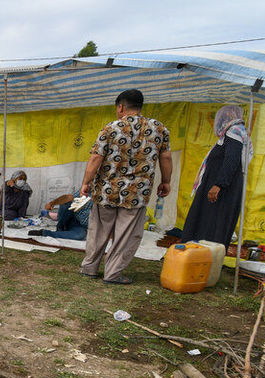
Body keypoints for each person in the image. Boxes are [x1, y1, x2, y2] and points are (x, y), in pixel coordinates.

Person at [79, 89, 172, 284]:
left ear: (120, 107)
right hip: (136, 192)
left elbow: (96, 157)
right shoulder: (159, 129)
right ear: (139, 106)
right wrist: (166, 181)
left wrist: (86, 182)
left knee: (98, 230)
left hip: (106, 189)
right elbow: (166, 157)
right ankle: (113, 273)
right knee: (126, 234)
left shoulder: (110, 128)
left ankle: (89, 267)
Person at [180, 105, 252, 246]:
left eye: (227, 116)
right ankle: (196, 252)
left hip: (223, 189)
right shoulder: (232, 133)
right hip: (218, 184)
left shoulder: (235, 132)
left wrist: (219, 185)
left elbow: (231, 160)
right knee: (206, 219)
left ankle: (204, 255)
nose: (224, 119)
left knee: (213, 223)